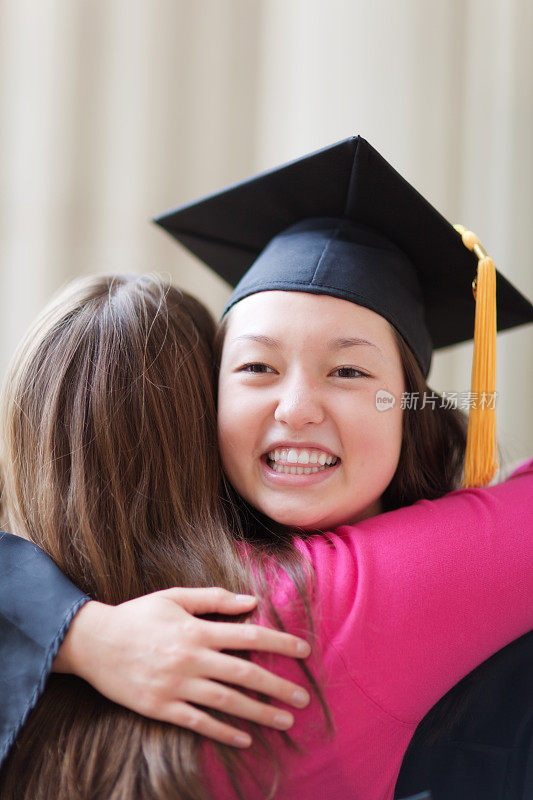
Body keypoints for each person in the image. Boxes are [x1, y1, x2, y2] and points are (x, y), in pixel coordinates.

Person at [1, 136, 533, 799]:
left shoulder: (53, 605)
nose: (297, 408)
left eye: (347, 370)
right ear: (201, 402)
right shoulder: (329, 608)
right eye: (256, 367)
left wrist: (75, 634)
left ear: (410, 407)